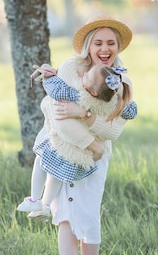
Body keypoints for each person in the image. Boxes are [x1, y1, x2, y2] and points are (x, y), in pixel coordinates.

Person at [28, 15, 137, 255]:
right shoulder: (69, 69)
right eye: (98, 42)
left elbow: (113, 131)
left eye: (111, 43)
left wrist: (83, 114)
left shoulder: (122, 83)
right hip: (63, 149)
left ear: (118, 46)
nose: (104, 49)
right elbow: (58, 116)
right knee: (64, 216)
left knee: (88, 217)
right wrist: (93, 143)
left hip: (94, 162)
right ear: (88, 45)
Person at [16, 62, 134, 220]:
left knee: (40, 163)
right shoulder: (111, 101)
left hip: (66, 142)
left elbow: (57, 91)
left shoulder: (79, 94)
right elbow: (131, 110)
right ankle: (45, 206)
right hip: (80, 153)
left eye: (86, 75)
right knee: (55, 176)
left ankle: (35, 199)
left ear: (91, 91)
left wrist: (49, 76)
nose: (83, 75)